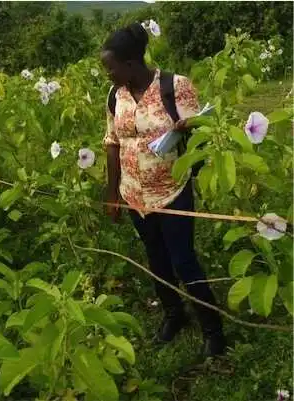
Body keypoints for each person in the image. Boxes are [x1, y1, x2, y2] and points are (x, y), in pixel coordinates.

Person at [100, 23, 226, 358]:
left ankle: (213, 330)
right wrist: (112, 194)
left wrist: (190, 128)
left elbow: (201, 132)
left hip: (171, 191)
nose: (108, 73)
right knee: (156, 259)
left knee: (184, 261)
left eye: (110, 67)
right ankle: (174, 315)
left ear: (130, 63)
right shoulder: (116, 95)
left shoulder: (175, 86)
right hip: (134, 195)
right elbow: (112, 144)